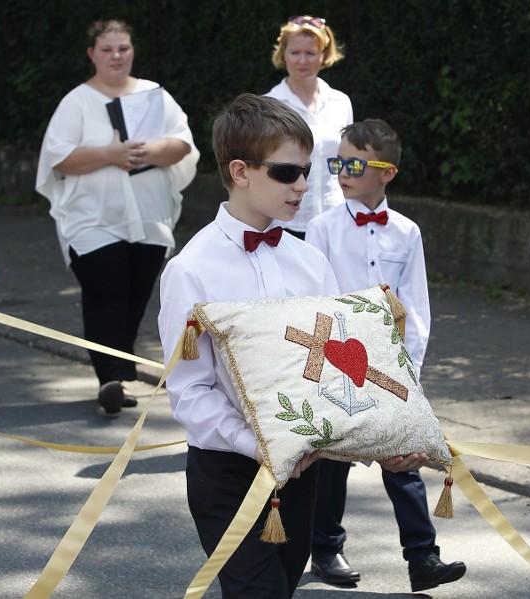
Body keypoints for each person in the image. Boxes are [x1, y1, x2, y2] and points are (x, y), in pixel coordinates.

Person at [157, 93, 426, 598]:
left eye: (305, 170)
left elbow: (336, 374)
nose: (303, 185)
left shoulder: (310, 262)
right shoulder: (191, 270)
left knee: (280, 588)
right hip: (229, 474)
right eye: (286, 172)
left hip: (302, 475)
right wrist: (255, 443)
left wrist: (384, 442)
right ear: (240, 171)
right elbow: (190, 392)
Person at [305, 119, 467, 592]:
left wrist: (409, 369)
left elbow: (416, 306)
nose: (342, 171)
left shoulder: (407, 232)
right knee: (333, 460)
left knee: (405, 457)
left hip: (390, 365)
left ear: (386, 172)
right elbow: (316, 299)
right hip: (337, 358)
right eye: (337, 162)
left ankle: (422, 558)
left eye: (354, 163)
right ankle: (326, 549)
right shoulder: (321, 228)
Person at [37, 19, 198, 416]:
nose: (116, 56)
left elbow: (182, 144)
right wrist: (110, 155)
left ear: (132, 51)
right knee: (105, 293)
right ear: (92, 54)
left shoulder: (153, 96)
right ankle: (109, 378)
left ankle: (118, 370)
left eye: (123, 48)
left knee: (134, 298)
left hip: (148, 218)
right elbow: (58, 156)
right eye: (107, 49)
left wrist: (144, 152)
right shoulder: (77, 101)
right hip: (92, 220)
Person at [265, 15, 352, 239]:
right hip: (286, 222)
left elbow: (348, 159)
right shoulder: (269, 105)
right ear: (283, 55)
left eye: (310, 53)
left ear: (324, 55)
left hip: (335, 219)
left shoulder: (340, 102)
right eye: (295, 52)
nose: (302, 61)